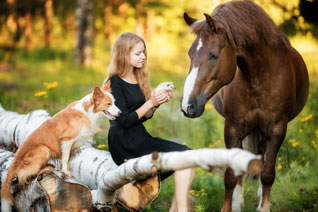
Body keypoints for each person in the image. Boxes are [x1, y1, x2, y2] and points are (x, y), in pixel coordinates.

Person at [104, 32, 195, 212]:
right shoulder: (114, 82)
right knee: (185, 157)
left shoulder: (137, 77)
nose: (143, 56)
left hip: (139, 137)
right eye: (138, 53)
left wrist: (156, 103)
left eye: (144, 52)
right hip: (123, 142)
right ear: (123, 54)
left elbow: (144, 116)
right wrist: (150, 103)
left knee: (189, 157)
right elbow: (124, 120)